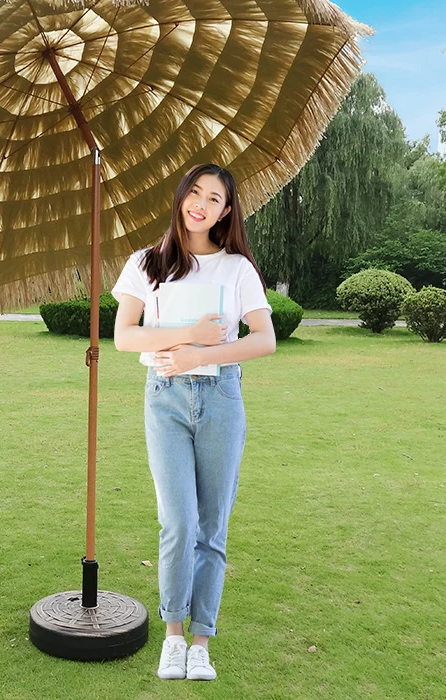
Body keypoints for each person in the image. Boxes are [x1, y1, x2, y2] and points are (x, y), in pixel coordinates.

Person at [111, 163, 276, 681]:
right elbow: (123, 336)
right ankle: (174, 637)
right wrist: (187, 340)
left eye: (214, 198)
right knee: (178, 524)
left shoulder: (237, 269)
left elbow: (264, 339)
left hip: (222, 396)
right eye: (195, 192)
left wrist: (209, 350)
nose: (201, 204)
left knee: (213, 526)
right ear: (181, 196)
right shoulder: (147, 262)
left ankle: (201, 641)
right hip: (165, 399)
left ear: (226, 211)